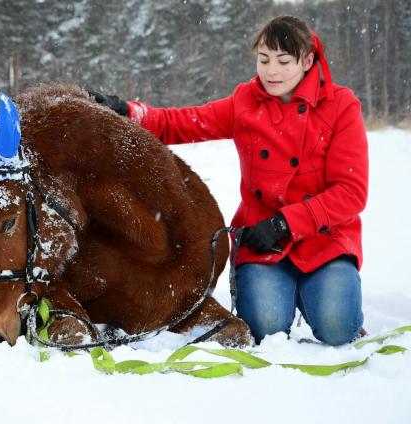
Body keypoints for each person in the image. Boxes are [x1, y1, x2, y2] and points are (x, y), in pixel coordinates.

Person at [91, 16, 367, 346]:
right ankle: (287, 295)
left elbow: (351, 192)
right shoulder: (246, 102)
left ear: (307, 61)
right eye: (264, 60)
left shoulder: (340, 106)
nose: (272, 72)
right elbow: (186, 122)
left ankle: (322, 299)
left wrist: (285, 224)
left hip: (325, 242)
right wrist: (129, 112)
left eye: (284, 61)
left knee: (339, 328)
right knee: (265, 326)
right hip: (264, 244)